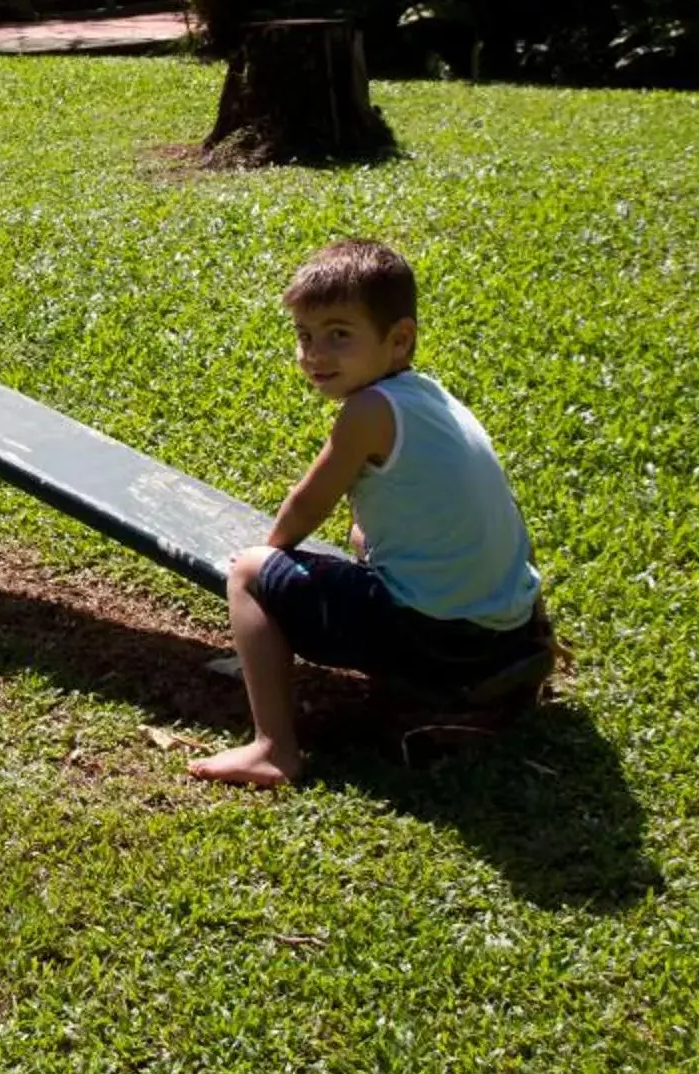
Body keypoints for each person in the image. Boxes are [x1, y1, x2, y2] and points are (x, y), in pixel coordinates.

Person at [188, 239, 550, 789]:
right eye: (304, 337)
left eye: (339, 335)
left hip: (439, 640)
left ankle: (273, 749)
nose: (314, 354)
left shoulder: (366, 411)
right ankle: (485, 677)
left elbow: (308, 501)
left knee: (247, 575)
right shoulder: (430, 399)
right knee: (362, 538)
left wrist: (268, 556)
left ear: (399, 340)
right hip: (509, 627)